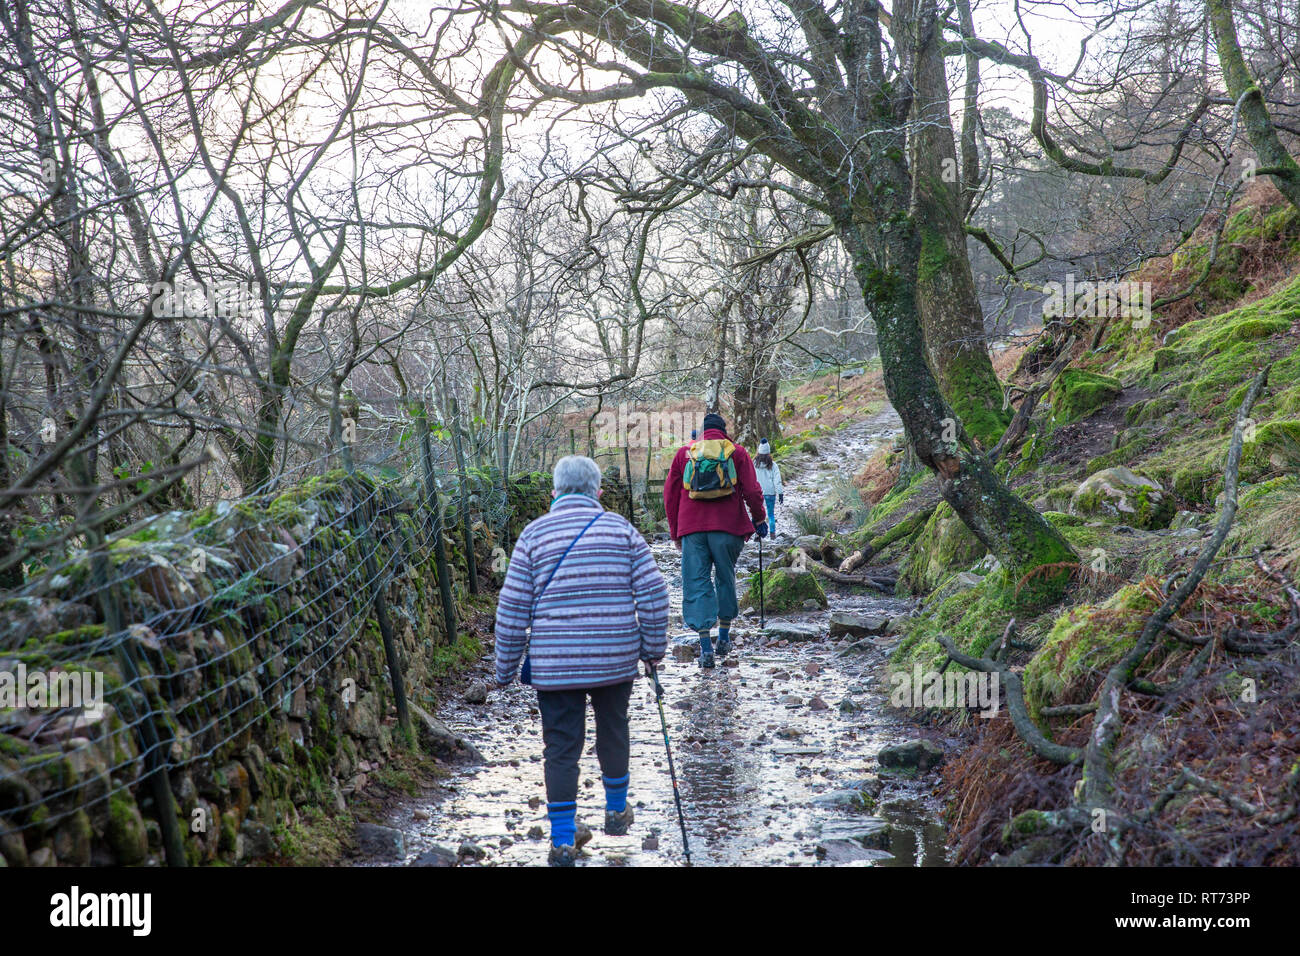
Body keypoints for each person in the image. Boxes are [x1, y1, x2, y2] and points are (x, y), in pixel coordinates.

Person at [495, 456, 669, 866]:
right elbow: (655, 594)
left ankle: (560, 841)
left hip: (555, 664)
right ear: (599, 492)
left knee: (560, 747)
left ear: (553, 493)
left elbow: (512, 608)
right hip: (614, 657)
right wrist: (652, 649)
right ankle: (615, 809)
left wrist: (504, 669)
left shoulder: (533, 536)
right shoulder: (620, 529)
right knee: (614, 725)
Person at [663, 412, 767, 669]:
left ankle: (705, 647)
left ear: (701, 432)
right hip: (728, 527)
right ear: (724, 432)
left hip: (692, 529)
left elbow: (670, 496)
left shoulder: (684, 454)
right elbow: (753, 491)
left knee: (697, 582)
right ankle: (723, 638)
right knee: (725, 576)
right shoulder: (737, 452)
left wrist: (676, 532)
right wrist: (760, 519)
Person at [754, 439, 784, 538]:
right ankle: (772, 534)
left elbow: (750, 478)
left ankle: (757, 535)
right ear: (768, 452)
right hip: (770, 493)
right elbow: (777, 480)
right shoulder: (773, 465)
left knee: (758, 515)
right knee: (771, 514)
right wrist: (780, 493)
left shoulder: (754, 464)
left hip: (758, 493)